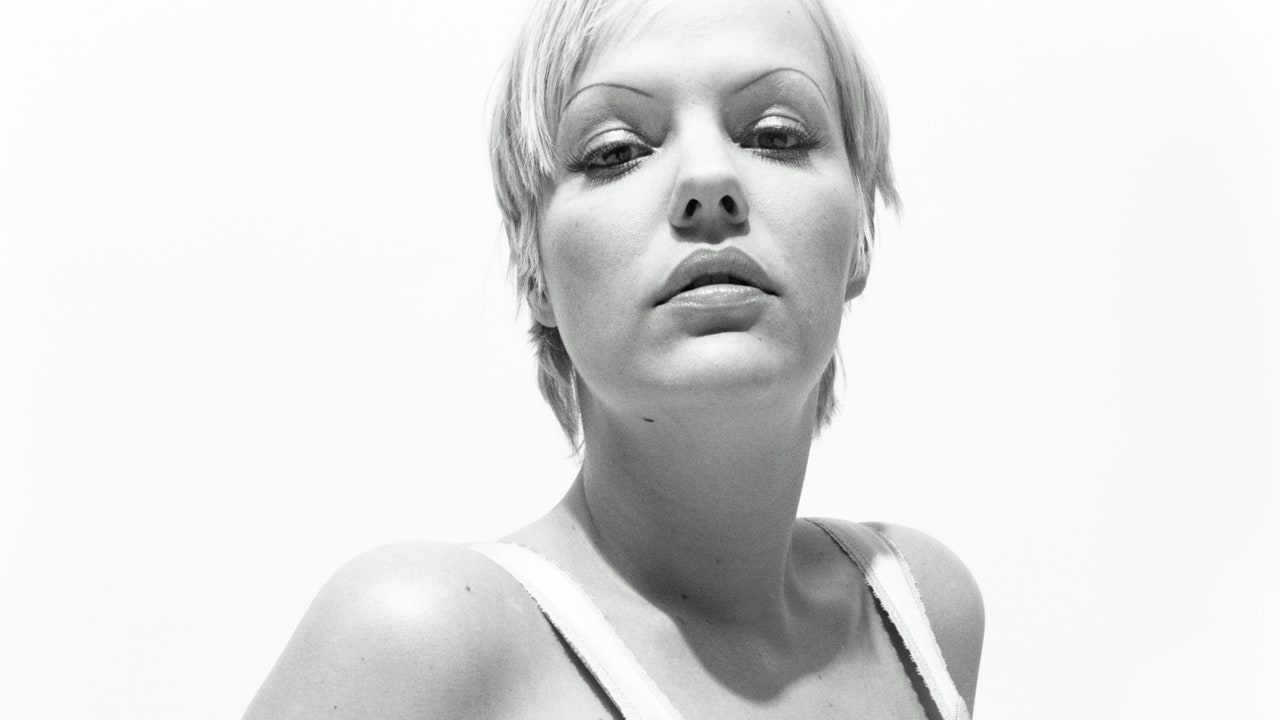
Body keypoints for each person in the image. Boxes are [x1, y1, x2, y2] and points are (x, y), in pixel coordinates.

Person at [243, 0, 984, 717]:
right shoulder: (414, 641)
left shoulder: (918, 614)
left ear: (863, 231)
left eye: (775, 135)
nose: (707, 181)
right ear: (532, 268)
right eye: (616, 152)